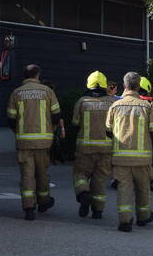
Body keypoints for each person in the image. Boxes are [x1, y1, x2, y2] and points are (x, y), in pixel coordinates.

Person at [105, 71, 153, 232]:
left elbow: (108, 130)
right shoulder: (146, 106)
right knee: (143, 188)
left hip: (121, 158)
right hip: (142, 158)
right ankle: (143, 217)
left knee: (124, 189)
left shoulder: (115, 106)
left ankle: (124, 221)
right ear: (138, 86)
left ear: (124, 86)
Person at [6, 64, 61, 220]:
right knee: (42, 174)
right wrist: (52, 129)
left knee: (27, 175)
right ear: (37, 75)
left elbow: (10, 119)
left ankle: (29, 207)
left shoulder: (16, 93)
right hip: (43, 142)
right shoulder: (48, 92)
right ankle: (44, 202)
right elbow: (56, 115)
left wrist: (19, 132)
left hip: (24, 142)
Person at [72, 71, 115, 219]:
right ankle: (98, 211)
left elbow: (75, 124)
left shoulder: (82, 102)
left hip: (85, 148)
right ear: (105, 85)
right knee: (100, 179)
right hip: (106, 148)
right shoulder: (111, 103)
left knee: (80, 174)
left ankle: (84, 194)